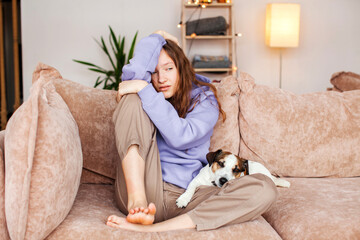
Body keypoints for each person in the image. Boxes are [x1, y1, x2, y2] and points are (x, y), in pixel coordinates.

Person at [106, 30, 278, 232]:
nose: (161, 78)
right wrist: (154, 39)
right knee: (131, 98)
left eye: (169, 68)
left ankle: (151, 228)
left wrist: (145, 90)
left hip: (187, 196)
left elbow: (181, 137)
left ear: (182, 68)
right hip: (143, 185)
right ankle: (138, 203)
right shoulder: (146, 92)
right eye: (153, 72)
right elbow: (131, 79)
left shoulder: (205, 99)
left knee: (265, 187)